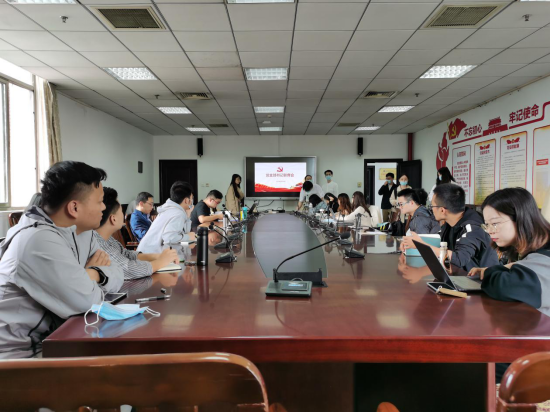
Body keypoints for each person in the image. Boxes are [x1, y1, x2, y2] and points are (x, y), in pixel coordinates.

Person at [0, 161, 124, 359]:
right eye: (100, 201)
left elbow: (118, 274)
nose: (104, 207)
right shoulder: (38, 240)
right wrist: (91, 278)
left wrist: (91, 274)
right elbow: (88, 303)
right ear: (74, 207)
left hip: (59, 339)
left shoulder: (83, 233)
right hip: (21, 356)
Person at [467, 188, 550, 317]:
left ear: (521, 218)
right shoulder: (529, 249)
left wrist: (491, 271)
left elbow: (504, 286)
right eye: (487, 225)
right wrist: (505, 268)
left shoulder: (545, 254)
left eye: (495, 223)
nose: (489, 231)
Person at [401, 183, 499, 272]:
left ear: (442, 210)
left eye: (432, 206)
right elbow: (438, 242)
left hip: (480, 282)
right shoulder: (450, 223)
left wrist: (419, 244)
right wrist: (411, 241)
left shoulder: (473, 228)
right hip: (459, 277)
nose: (431, 210)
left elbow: (459, 259)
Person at [94, 187, 180, 279]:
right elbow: (128, 269)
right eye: (121, 211)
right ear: (113, 219)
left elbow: (126, 254)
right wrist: (161, 261)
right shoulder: (98, 243)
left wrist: (158, 256)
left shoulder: (108, 239)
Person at [138, 182, 196, 254]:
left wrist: (187, 217)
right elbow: (169, 238)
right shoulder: (177, 213)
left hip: (146, 253)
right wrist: (188, 237)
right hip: (150, 256)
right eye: (191, 198)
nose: (192, 202)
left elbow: (183, 233)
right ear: (186, 200)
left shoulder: (172, 209)